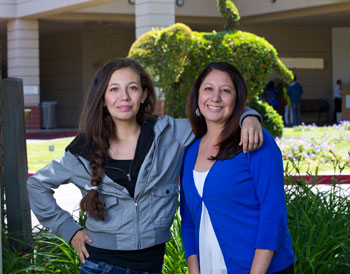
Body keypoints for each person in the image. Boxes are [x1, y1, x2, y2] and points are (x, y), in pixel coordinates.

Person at [27, 59, 263, 274]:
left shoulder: (171, 134)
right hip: (99, 266)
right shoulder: (82, 152)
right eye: (114, 89)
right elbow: (36, 185)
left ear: (143, 94)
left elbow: (217, 114)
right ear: (102, 99)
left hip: (150, 267)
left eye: (132, 88)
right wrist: (71, 231)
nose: (124, 97)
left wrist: (249, 116)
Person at [180, 62, 294, 274]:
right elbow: (188, 220)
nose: (215, 98)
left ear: (237, 98)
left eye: (225, 91)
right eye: (208, 89)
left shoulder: (257, 142)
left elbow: (273, 213)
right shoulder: (190, 151)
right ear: (197, 95)